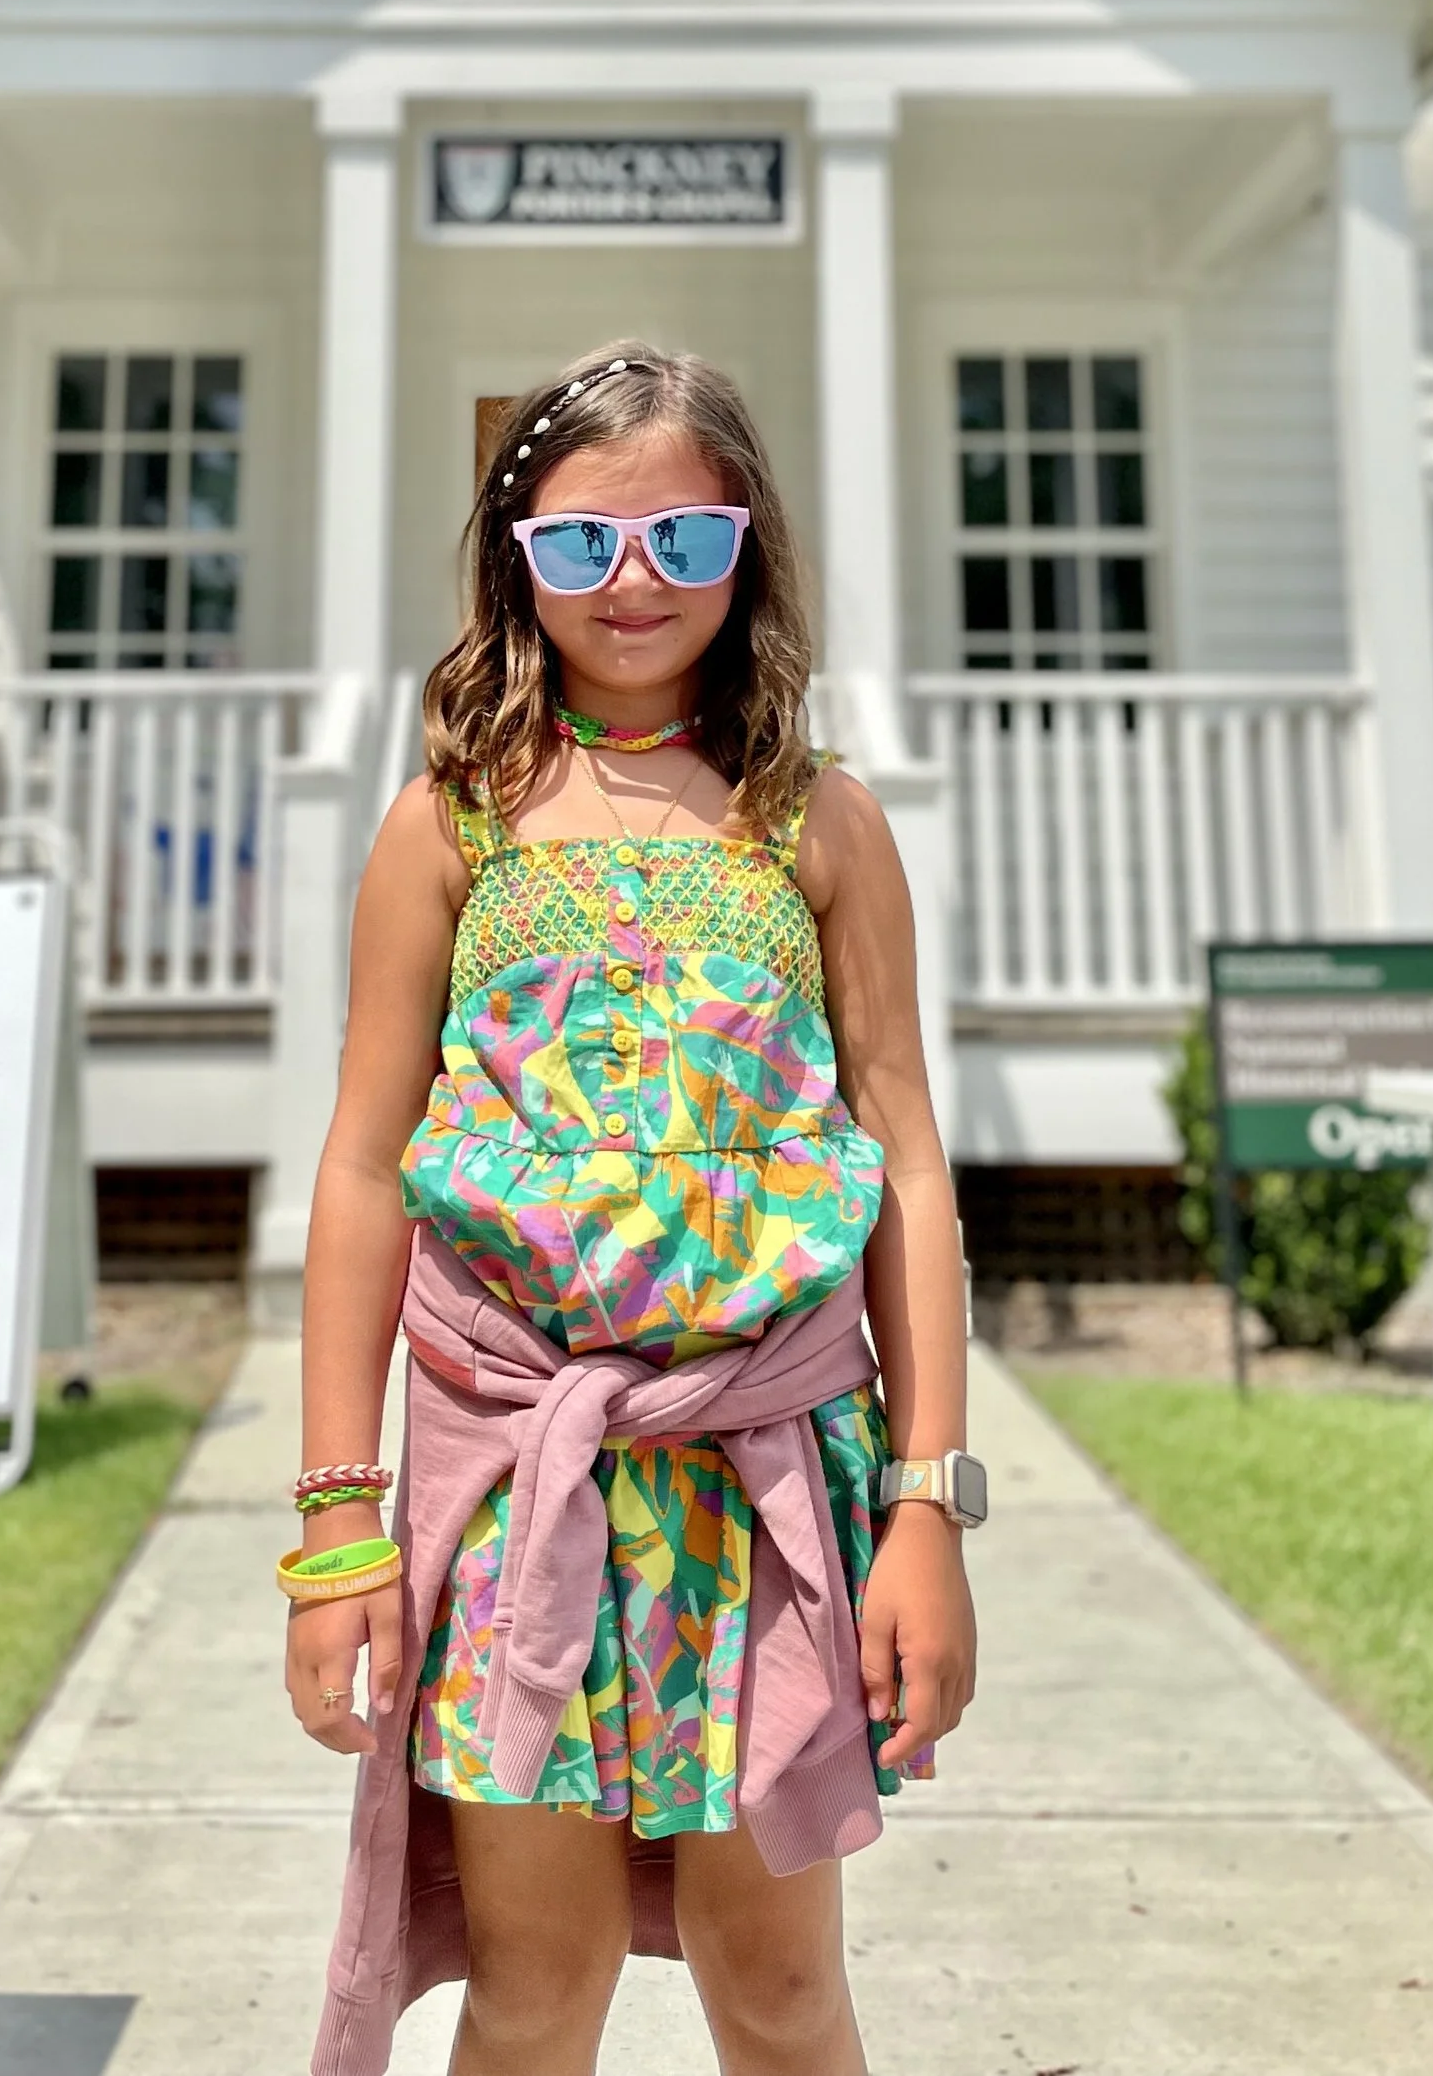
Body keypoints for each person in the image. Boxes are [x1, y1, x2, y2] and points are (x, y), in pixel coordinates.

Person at [288, 341, 981, 2076]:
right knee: (538, 1990)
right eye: (583, 543)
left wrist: (930, 1508)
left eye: (685, 536)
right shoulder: (449, 831)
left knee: (783, 1990)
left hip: (768, 1494)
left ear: (751, 547)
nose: (635, 581)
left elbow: (903, 1157)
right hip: (517, 1485)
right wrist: (337, 1524)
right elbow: (364, 1167)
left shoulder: (818, 825)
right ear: (516, 560)